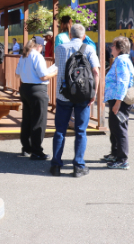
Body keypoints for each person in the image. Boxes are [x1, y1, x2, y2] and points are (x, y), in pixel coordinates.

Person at [50, 24, 100, 177]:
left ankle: (56, 166)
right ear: (83, 36)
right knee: (80, 131)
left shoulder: (60, 48)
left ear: (70, 35)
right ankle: (78, 167)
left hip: (63, 95)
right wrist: (94, 94)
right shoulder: (90, 49)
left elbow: (58, 67)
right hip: (83, 96)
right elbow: (96, 72)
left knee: (60, 131)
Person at [15, 40, 57, 160]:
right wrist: (54, 72)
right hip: (38, 90)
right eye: (42, 46)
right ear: (39, 46)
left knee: (27, 119)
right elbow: (43, 76)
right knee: (39, 120)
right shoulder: (38, 56)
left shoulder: (24, 56)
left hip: (25, 88)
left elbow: (17, 74)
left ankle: (26, 147)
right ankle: (37, 151)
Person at [103, 36, 134, 169]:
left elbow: (122, 83)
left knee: (120, 129)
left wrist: (117, 103)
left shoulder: (121, 61)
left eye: (113, 45)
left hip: (119, 101)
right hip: (116, 99)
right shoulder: (121, 60)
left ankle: (122, 159)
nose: (110, 47)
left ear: (119, 48)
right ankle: (117, 154)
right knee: (115, 127)